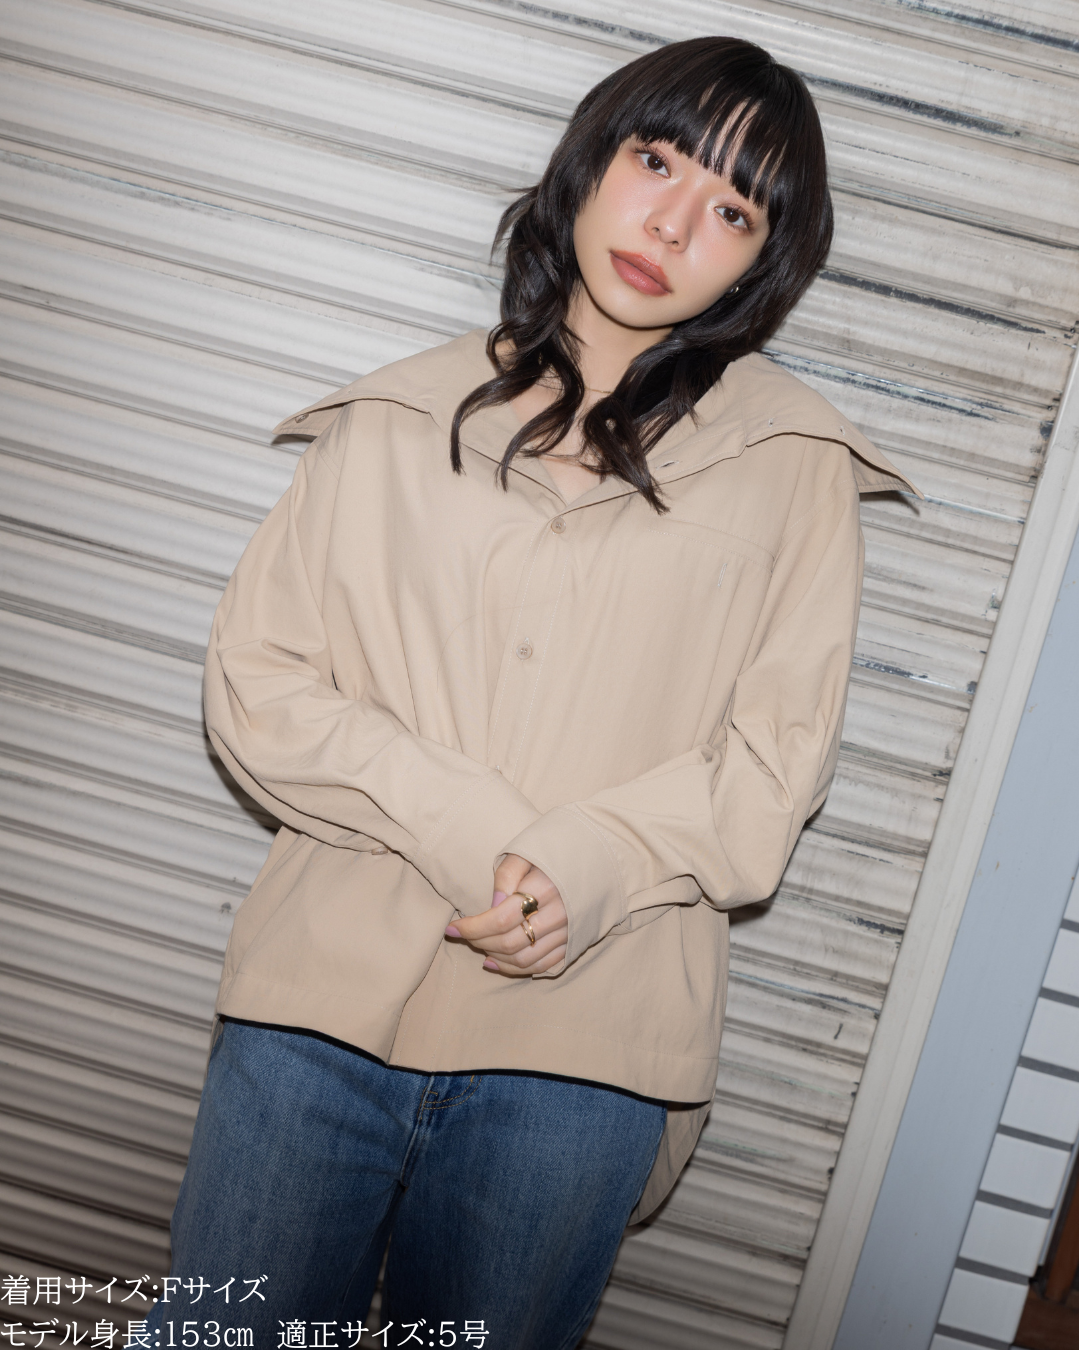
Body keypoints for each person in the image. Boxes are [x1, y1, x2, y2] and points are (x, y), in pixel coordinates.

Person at [151, 34, 917, 1350]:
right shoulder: (397, 418)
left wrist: (595, 862)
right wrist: (472, 829)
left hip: (588, 1049)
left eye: (734, 211)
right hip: (318, 1015)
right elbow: (258, 682)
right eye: (658, 161)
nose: (673, 224)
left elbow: (775, 762)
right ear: (592, 160)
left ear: (764, 264)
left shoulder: (797, 470)